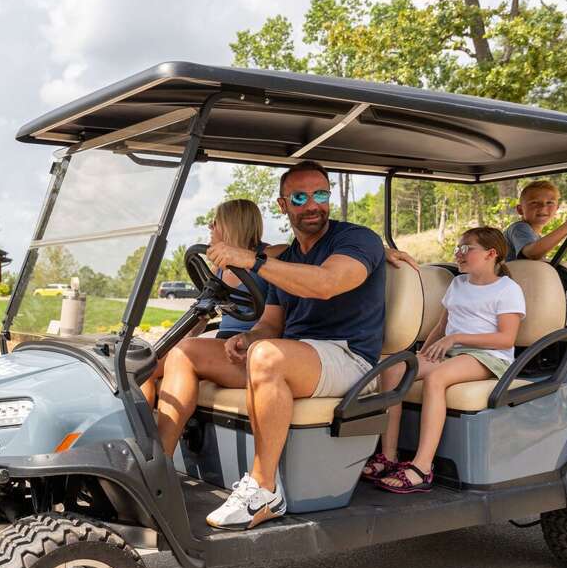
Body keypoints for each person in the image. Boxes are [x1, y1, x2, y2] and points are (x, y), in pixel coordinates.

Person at [154, 159, 392, 530]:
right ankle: (158, 474)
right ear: (283, 205)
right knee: (186, 352)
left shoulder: (356, 239)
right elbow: (271, 324)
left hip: (349, 358)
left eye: (320, 194)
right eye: (299, 197)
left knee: (268, 357)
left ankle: (265, 490)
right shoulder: (288, 257)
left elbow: (326, 283)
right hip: (296, 357)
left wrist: (253, 260)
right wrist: (247, 338)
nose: (312, 204)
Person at [365, 227, 525, 493]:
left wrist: (456, 339)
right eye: (457, 249)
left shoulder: (507, 289)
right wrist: (420, 356)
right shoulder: (458, 284)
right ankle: (388, 456)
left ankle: (422, 466)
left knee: (436, 378)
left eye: (466, 249)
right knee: (392, 371)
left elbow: (506, 339)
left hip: (489, 357)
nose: (458, 254)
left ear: (491, 254)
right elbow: (442, 327)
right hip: (453, 352)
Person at [140, 199, 280, 406]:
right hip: (220, 345)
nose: (209, 227)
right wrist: (168, 347)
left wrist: (243, 256)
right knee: (142, 369)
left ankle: (162, 438)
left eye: (215, 222)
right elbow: (201, 316)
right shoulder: (219, 270)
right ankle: (142, 433)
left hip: (248, 349)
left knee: (186, 352)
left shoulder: (272, 255)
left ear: (232, 225)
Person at [504, 180, 567, 261]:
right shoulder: (519, 228)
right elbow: (531, 254)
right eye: (534, 203)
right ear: (520, 209)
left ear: (557, 208)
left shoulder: (536, 237)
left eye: (549, 203)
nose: (543, 207)